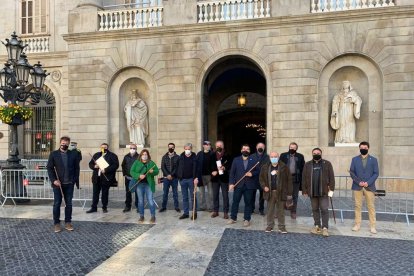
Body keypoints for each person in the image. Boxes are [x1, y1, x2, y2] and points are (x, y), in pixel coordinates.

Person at [47, 136, 80, 233]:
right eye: (62, 143)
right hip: (58, 184)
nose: (64, 144)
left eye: (66, 143)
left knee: (68, 204)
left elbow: (76, 168)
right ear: (60, 143)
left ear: (68, 144)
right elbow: (49, 168)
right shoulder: (54, 154)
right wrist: (54, 180)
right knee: (57, 204)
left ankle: (68, 222)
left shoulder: (73, 154)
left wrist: (74, 180)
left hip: (69, 184)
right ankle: (56, 223)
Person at [302, 148, 335, 237]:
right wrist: (304, 190)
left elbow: (332, 177)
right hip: (312, 191)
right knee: (315, 209)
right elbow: (304, 178)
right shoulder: (307, 164)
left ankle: (325, 228)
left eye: (318, 153)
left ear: (321, 153)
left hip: (324, 191)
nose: (316, 154)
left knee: (324, 209)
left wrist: (331, 190)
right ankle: (317, 226)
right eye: (314, 153)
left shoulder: (327, 163)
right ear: (312, 154)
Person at [350, 141, 379, 234]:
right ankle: (357, 224)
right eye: (361, 147)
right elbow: (352, 172)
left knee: (371, 206)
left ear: (368, 148)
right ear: (359, 148)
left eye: (365, 147)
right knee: (357, 206)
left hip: (369, 187)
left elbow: (376, 173)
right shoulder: (354, 159)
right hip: (357, 186)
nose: (363, 149)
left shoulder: (373, 160)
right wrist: (359, 182)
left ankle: (373, 226)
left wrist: (368, 182)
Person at [259, 151, 292, 233]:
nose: (274, 158)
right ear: (269, 158)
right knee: (270, 210)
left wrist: (289, 192)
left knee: (281, 211)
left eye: (275, 156)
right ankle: (270, 226)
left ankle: (282, 227)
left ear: (278, 157)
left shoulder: (284, 167)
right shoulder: (265, 167)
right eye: (272, 156)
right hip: (270, 192)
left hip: (280, 192)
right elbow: (261, 179)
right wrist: (264, 186)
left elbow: (289, 180)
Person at [228, 144, 259, 227]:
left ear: (249, 151)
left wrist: (251, 173)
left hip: (249, 186)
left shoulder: (254, 160)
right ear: (241, 150)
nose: (245, 150)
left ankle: (247, 219)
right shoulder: (236, 160)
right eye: (244, 149)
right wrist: (231, 183)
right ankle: (233, 218)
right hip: (238, 185)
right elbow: (232, 173)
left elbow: (258, 171)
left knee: (248, 203)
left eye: (247, 149)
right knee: (235, 202)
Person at [86, 143, 119, 214]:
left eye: (105, 147)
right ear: (100, 148)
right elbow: (90, 164)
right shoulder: (96, 155)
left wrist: (106, 170)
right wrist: (94, 166)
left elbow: (115, 165)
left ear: (108, 147)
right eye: (102, 147)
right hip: (96, 178)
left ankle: (104, 207)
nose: (103, 148)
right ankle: (93, 207)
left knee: (104, 194)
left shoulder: (112, 155)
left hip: (106, 178)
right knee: (95, 194)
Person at [130, 149, 159, 223]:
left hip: (149, 184)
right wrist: (139, 175)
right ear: (141, 155)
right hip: (139, 184)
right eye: (143, 154)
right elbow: (131, 172)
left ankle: (153, 216)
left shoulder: (151, 163)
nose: (144, 156)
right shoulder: (136, 162)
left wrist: (153, 172)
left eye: (146, 154)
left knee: (150, 201)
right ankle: (141, 216)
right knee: (140, 201)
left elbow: (157, 171)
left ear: (148, 155)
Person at [280, 142, 305, 219]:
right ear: (289, 147)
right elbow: (279, 166)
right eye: (291, 147)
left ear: (296, 148)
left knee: (294, 196)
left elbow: (303, 168)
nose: (292, 149)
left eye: (294, 148)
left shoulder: (300, 156)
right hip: (284, 179)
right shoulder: (283, 155)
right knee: (282, 195)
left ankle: (293, 211)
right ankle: (281, 211)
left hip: (295, 178)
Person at [176, 143, 199, 220]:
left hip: (191, 180)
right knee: (184, 197)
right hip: (183, 180)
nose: (187, 150)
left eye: (188, 149)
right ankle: (186, 213)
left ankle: (194, 213)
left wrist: (196, 178)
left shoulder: (195, 157)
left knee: (193, 197)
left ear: (191, 149)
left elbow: (198, 169)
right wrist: (179, 177)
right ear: (184, 149)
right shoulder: (181, 157)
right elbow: (177, 167)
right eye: (186, 149)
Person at [210, 140, 232, 219]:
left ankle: (226, 212)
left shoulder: (228, 155)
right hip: (215, 178)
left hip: (224, 178)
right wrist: (212, 171)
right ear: (215, 147)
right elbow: (209, 166)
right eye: (217, 146)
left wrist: (224, 167)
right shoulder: (212, 155)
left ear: (223, 146)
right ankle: (216, 211)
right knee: (215, 195)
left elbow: (230, 165)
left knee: (225, 196)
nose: (219, 147)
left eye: (220, 146)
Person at [160, 142, 180, 213]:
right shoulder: (164, 157)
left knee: (175, 193)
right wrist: (167, 175)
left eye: (172, 147)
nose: (171, 148)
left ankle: (176, 207)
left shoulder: (177, 157)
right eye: (169, 147)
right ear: (168, 147)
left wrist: (171, 175)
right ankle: (163, 207)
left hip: (174, 178)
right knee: (165, 193)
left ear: (174, 148)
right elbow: (163, 167)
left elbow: (177, 167)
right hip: (166, 178)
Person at [196, 140, 215, 212]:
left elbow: (215, 164)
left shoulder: (212, 154)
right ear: (203, 146)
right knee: (201, 193)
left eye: (209, 144)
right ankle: (202, 206)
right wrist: (196, 176)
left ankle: (210, 207)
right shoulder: (199, 154)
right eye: (207, 145)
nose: (208, 146)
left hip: (209, 176)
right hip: (201, 176)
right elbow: (196, 165)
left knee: (210, 193)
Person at [251, 142, 269, 215]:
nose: (260, 147)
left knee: (262, 196)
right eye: (259, 146)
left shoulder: (267, 157)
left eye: (262, 146)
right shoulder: (251, 156)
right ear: (256, 147)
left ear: (264, 148)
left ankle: (261, 209)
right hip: (253, 178)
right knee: (252, 195)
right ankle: (252, 209)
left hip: (263, 179)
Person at [121, 143, 139, 212]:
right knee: (128, 192)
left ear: (136, 149)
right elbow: (123, 165)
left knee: (138, 193)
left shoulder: (139, 156)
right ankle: (128, 206)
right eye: (131, 148)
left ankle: (138, 206)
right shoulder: (126, 156)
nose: (132, 149)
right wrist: (124, 174)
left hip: (136, 178)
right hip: (128, 178)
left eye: (134, 148)